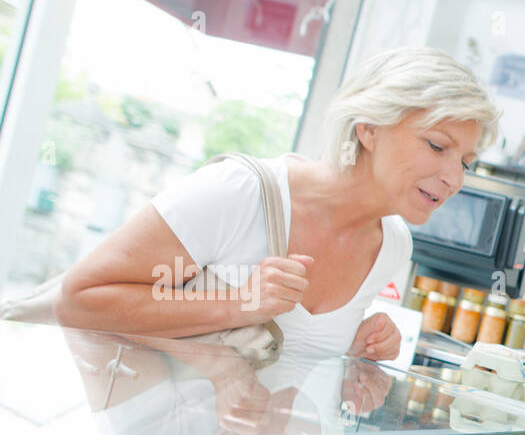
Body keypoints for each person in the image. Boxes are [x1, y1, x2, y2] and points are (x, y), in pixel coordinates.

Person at [54, 47, 500, 359]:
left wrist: (356, 357)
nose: (454, 178)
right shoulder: (237, 191)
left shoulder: (393, 244)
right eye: (438, 146)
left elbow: (287, 365)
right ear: (369, 129)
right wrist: (239, 305)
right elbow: (78, 300)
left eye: (466, 160)